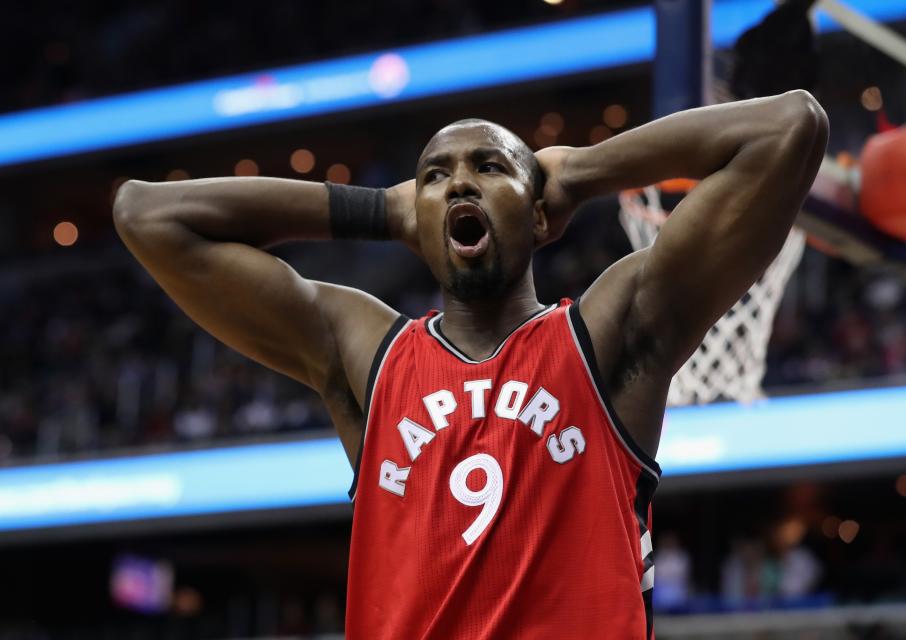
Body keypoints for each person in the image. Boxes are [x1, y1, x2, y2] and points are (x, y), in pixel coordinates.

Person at [113, 90, 828, 639]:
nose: (459, 183)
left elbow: (789, 127)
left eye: (490, 167)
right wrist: (379, 210)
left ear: (538, 214)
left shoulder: (609, 336)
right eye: (433, 176)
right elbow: (147, 215)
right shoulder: (370, 355)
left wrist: (579, 171)